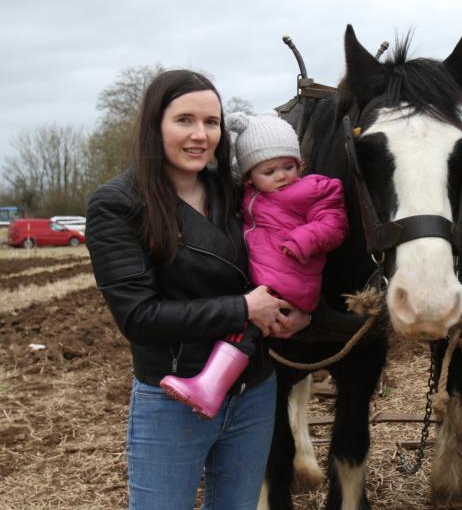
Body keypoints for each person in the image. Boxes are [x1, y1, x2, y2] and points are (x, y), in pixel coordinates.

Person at [85, 69, 309, 509]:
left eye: (211, 122)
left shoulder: (236, 191)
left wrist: (294, 310)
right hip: (173, 399)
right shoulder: (118, 204)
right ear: (155, 125)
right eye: (184, 120)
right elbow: (139, 318)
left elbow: (276, 262)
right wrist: (244, 309)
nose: (200, 135)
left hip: (253, 393)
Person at [160, 111, 348, 415]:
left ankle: (210, 387)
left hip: (289, 279)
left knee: (243, 326)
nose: (282, 176)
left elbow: (334, 224)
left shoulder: (313, 190)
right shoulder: (249, 196)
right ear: (249, 176)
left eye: (289, 166)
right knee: (240, 317)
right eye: (269, 171)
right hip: (267, 277)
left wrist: (303, 239)